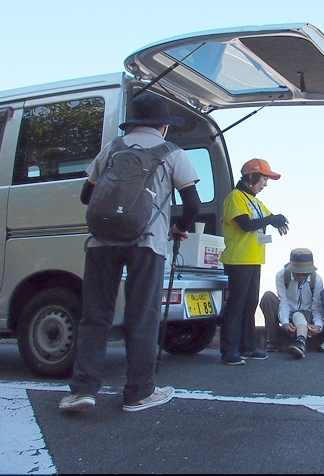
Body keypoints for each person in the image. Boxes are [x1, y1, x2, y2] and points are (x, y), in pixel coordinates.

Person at [59, 92, 200, 413]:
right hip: (147, 243)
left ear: (133, 122)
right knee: (142, 316)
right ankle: (139, 392)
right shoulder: (172, 153)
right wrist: (179, 227)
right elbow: (192, 203)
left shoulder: (112, 148)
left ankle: (82, 390)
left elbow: (86, 196)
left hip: (101, 240)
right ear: (163, 125)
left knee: (95, 315)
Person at [219, 158, 289, 366]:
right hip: (238, 259)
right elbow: (246, 224)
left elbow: (269, 217)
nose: (265, 184)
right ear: (251, 176)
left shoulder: (255, 201)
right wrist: (272, 219)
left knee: (249, 304)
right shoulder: (235, 197)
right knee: (236, 304)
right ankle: (229, 350)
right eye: (264, 179)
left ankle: (247, 347)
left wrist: (277, 220)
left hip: (254, 258)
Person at [259, 248, 324, 358]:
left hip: (305, 315)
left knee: (298, 314)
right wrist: (285, 323)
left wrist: (318, 325)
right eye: (297, 273)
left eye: (304, 274)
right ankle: (272, 340)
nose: (300, 277)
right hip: (285, 312)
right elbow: (283, 302)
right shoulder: (281, 276)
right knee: (267, 297)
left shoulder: (317, 280)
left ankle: (300, 342)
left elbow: (317, 307)